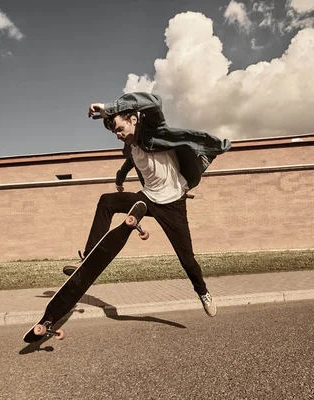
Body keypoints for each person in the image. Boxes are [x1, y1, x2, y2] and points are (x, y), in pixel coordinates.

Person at [62, 92, 231, 317]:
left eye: (120, 130)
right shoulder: (130, 148)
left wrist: (109, 107)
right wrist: (119, 180)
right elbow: (127, 165)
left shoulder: (152, 131)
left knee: (187, 259)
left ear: (133, 120)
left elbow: (154, 102)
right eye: (115, 133)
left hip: (173, 203)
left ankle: (203, 292)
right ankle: (88, 259)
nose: (119, 136)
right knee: (107, 201)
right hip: (148, 198)